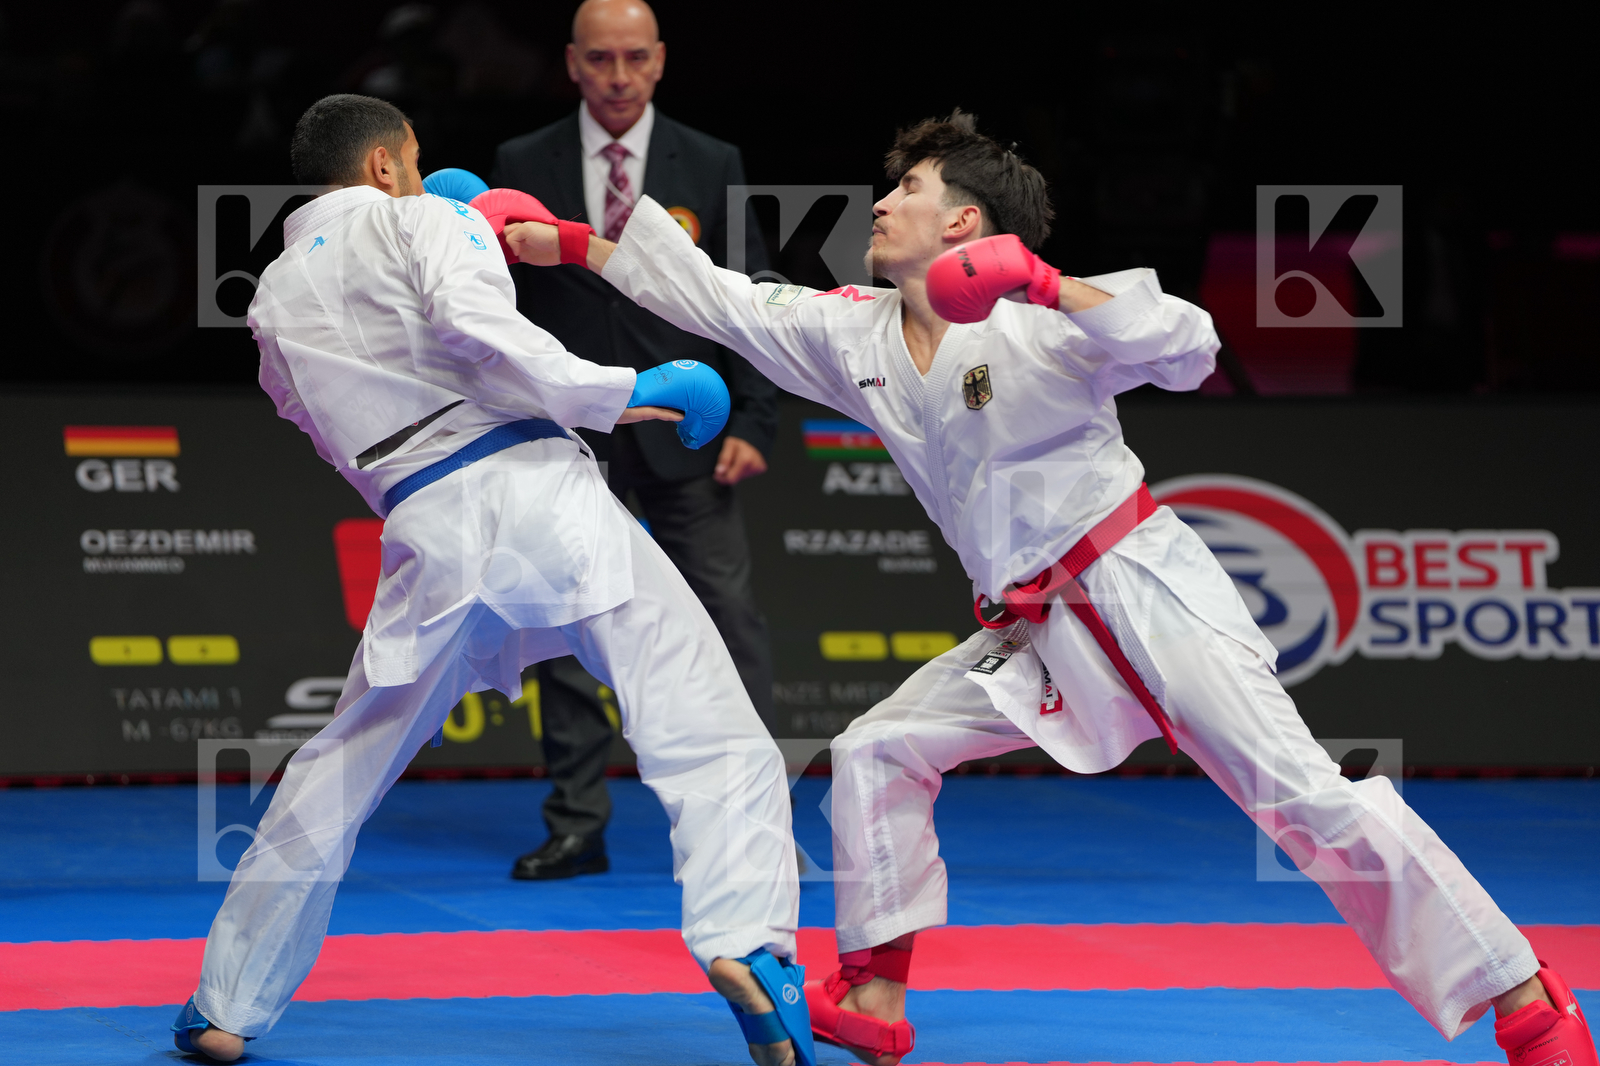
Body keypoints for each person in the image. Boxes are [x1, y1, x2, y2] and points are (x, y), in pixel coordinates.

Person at [503, 110, 1596, 1066]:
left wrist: (1048, 283)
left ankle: (1528, 1004)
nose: (880, 205)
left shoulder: (1043, 320)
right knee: (883, 746)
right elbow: (719, 298)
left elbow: (1192, 345)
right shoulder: (857, 334)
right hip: (1033, 631)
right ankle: (877, 995)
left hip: (1139, 590)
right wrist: (555, 240)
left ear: (967, 225)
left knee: (1307, 803)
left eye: (909, 192)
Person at [169, 93, 814, 1066]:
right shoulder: (418, 215)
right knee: (704, 720)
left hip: (421, 520)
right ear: (388, 164)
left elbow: (312, 422)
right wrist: (623, 392)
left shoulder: (269, 303)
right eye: (417, 162)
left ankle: (226, 1004)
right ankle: (748, 944)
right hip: (534, 490)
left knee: (337, 768)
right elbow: (481, 332)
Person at [488, 0, 780, 882]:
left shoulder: (715, 162)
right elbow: (501, 312)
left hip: (691, 429)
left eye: (634, 59)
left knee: (728, 623)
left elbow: (750, 299)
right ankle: (577, 823)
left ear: (660, 63)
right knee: (568, 627)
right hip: (571, 431)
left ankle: (751, 815)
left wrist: (755, 420)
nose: (618, 76)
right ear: (572, 63)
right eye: (601, 59)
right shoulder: (519, 163)